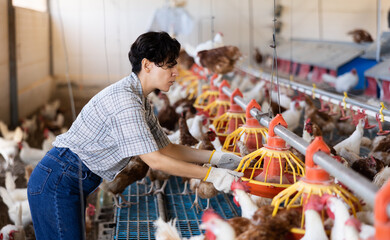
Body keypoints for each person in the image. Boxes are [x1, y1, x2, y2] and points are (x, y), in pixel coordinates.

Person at [27, 31, 243, 240]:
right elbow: (156, 161)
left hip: (67, 178)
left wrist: (216, 158)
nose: (175, 72)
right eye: (169, 65)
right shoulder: (126, 101)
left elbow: (166, 148)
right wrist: (211, 176)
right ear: (147, 65)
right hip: (57, 180)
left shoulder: (140, 100)